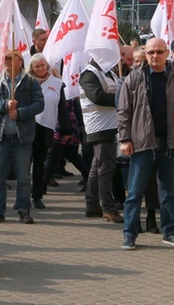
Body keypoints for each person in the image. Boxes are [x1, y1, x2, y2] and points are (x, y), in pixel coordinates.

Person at [118, 37, 174, 250]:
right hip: (142, 142)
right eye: (151, 52)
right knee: (135, 192)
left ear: (167, 54)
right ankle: (129, 234)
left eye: (159, 52)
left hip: (169, 143)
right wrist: (125, 139)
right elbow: (124, 111)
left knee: (169, 192)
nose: (155, 56)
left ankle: (169, 231)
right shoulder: (134, 78)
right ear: (146, 55)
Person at [0, 49, 44, 224]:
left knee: (23, 177)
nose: (6, 61)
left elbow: (40, 104)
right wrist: (4, 104)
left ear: (20, 61)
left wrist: (21, 112)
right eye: (5, 58)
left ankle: (24, 209)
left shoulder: (31, 82)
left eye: (10, 58)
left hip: (22, 137)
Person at [79, 57, 123, 223]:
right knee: (106, 168)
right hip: (100, 126)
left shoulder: (108, 72)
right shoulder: (89, 74)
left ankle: (92, 204)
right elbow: (97, 96)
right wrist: (121, 99)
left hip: (109, 124)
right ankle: (108, 208)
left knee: (97, 166)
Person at [28, 54, 59, 209]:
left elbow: (63, 108)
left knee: (39, 164)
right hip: (27, 127)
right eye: (36, 66)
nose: (40, 69)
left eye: (42, 65)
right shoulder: (25, 82)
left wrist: (65, 128)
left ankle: (37, 196)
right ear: (31, 69)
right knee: (24, 164)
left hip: (45, 128)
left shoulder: (57, 83)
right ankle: (23, 197)